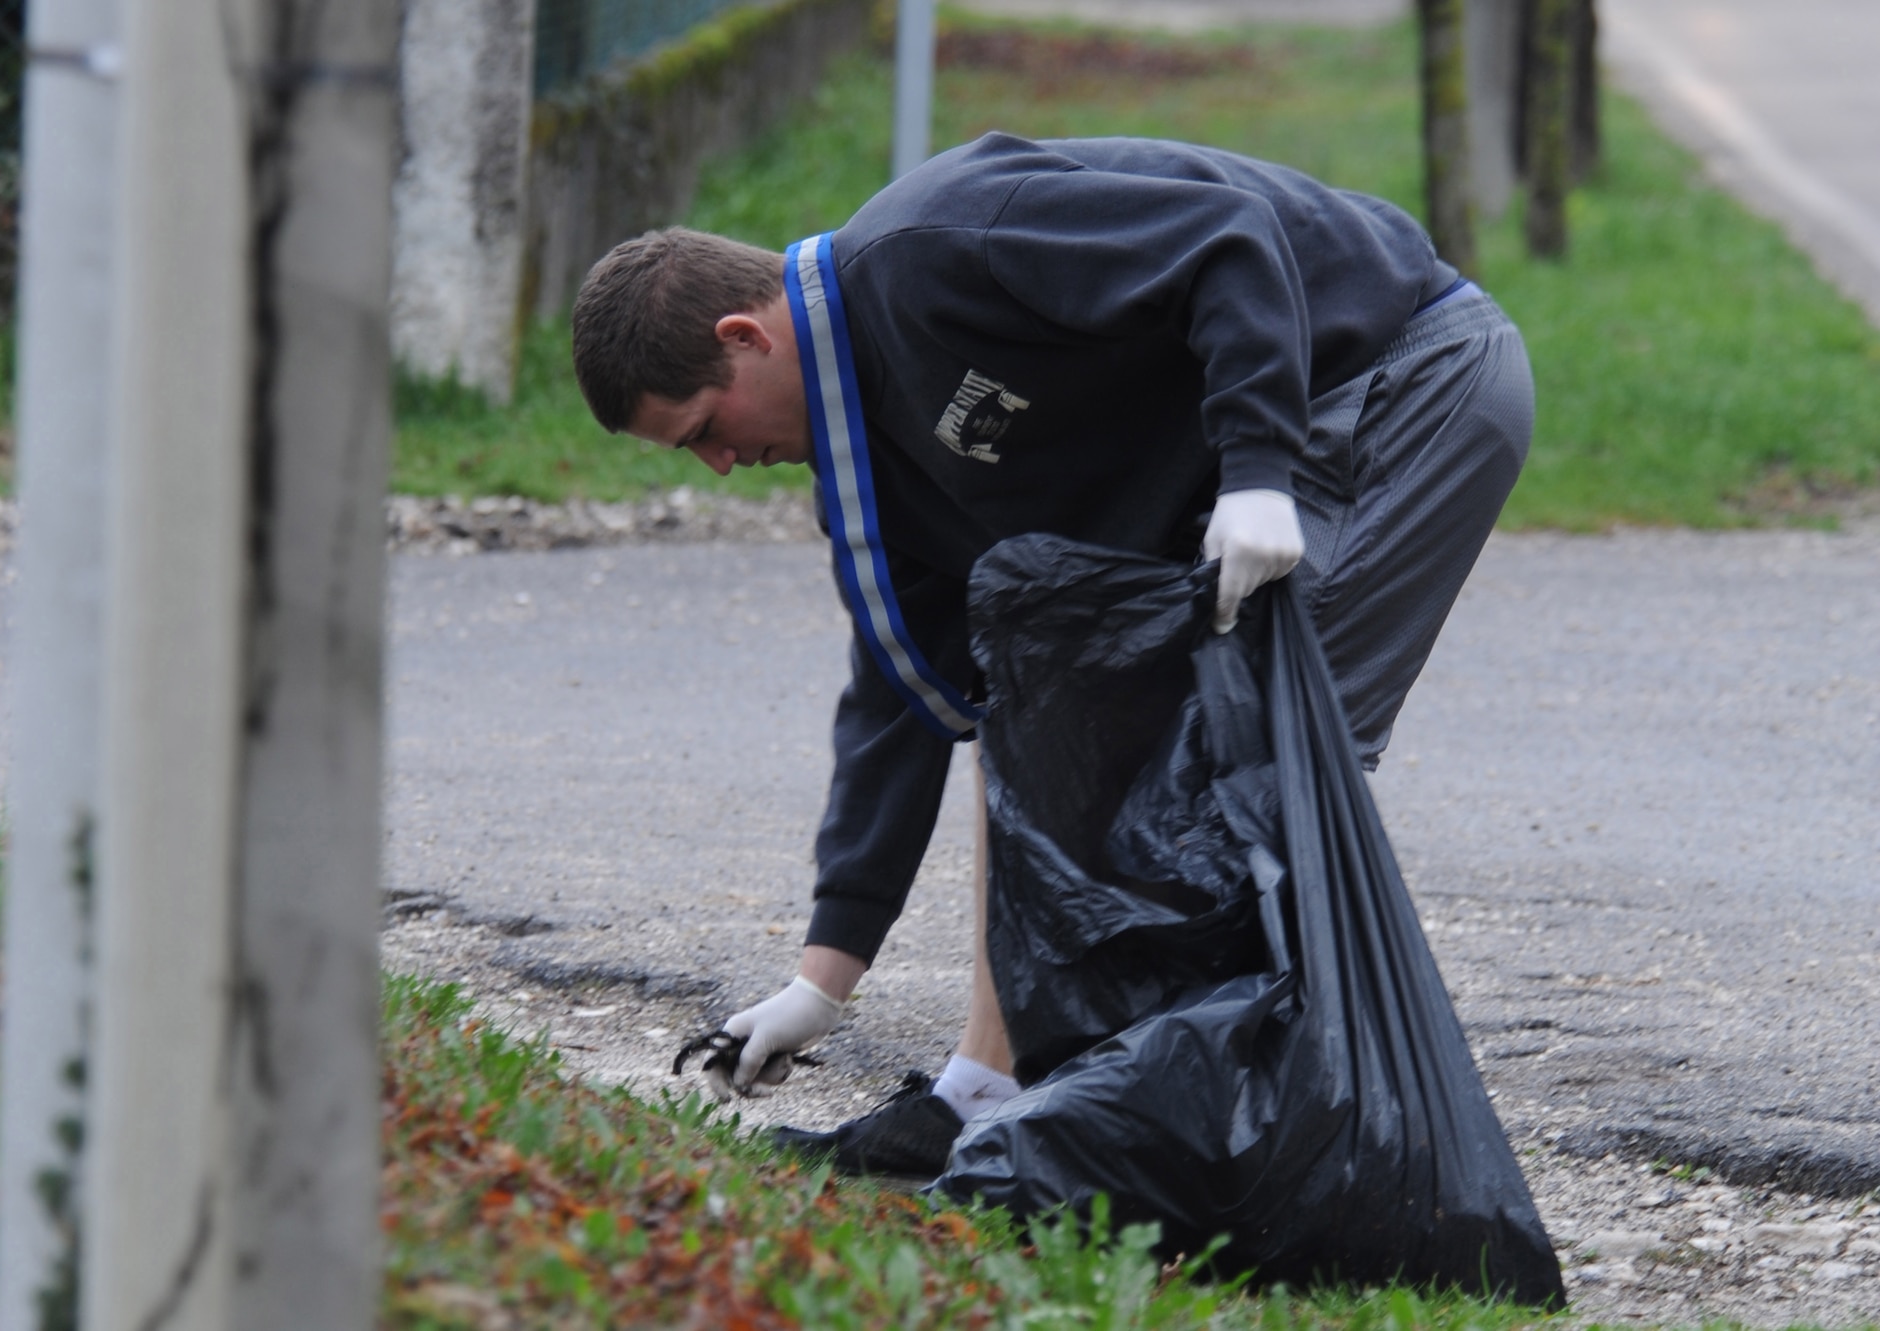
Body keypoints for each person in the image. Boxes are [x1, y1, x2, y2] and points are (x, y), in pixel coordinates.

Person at [570, 132, 1533, 1180]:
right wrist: (821, 982)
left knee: (1242, 770)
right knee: (1031, 724)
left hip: (1392, 376)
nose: (718, 466)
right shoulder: (877, 475)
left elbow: (1227, 241)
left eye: (703, 428)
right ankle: (980, 1097)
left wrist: (1259, 469)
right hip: (1275, 428)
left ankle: (1257, 1141)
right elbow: (906, 705)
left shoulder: (936, 248)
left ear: (745, 335)